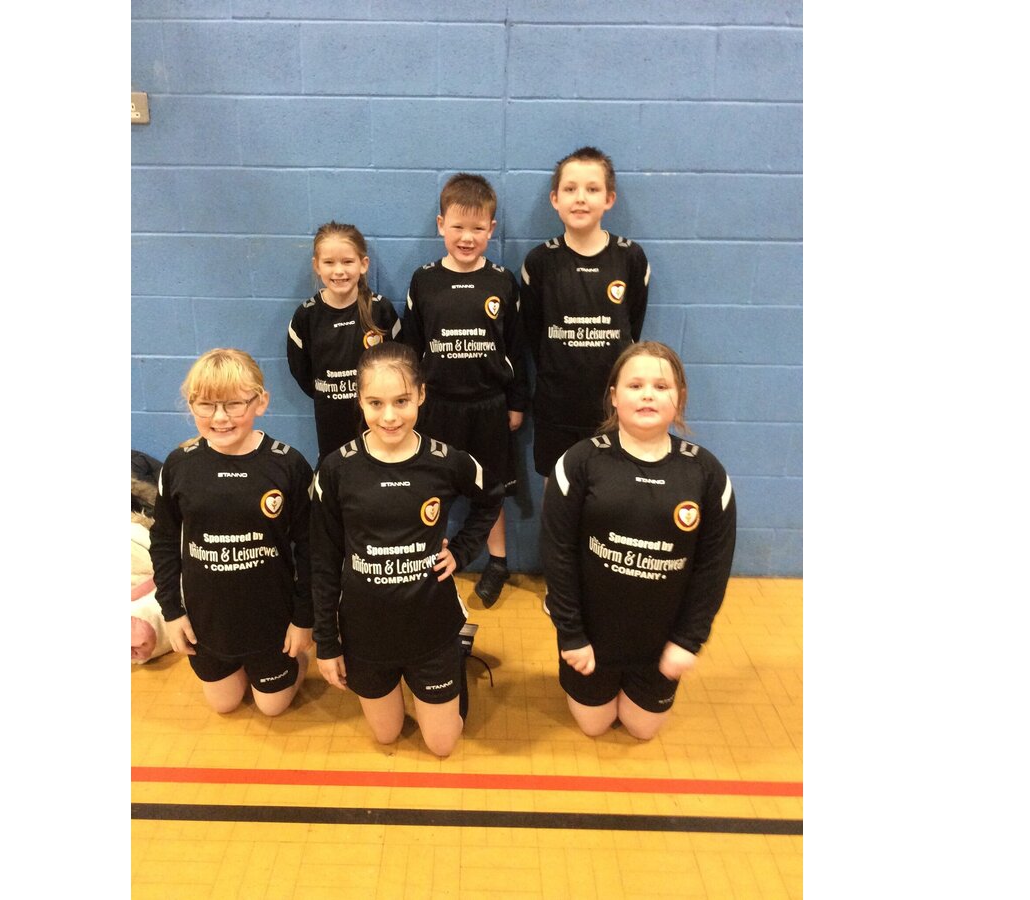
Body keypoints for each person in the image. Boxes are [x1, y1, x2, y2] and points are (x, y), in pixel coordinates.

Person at [312, 342, 503, 757]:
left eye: (401, 401)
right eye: (375, 403)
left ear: (421, 394)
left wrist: (463, 551)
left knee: (442, 745)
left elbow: (491, 497)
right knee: (386, 735)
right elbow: (323, 560)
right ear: (359, 400)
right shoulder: (337, 468)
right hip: (365, 632)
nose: (389, 416)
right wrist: (327, 642)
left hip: (430, 627)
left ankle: (455, 653)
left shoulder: (446, 461)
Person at [540, 341, 736, 740]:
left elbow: (713, 567)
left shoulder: (706, 473)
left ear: (680, 398)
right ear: (614, 397)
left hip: (660, 643)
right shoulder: (580, 462)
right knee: (594, 726)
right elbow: (558, 555)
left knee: (641, 728)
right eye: (635, 385)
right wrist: (571, 635)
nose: (648, 394)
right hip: (592, 638)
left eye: (661, 387)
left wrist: (688, 641)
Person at [148, 348, 315, 717]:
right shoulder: (179, 466)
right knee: (224, 705)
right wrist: (172, 613)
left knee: (271, 707)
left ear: (261, 402)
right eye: (206, 405)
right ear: (191, 406)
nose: (220, 418)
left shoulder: (287, 464)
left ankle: (295, 664)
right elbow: (163, 543)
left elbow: (309, 548)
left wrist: (304, 620)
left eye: (234, 404)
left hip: (270, 620)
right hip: (208, 622)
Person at [400, 172, 527, 607]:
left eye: (477, 228)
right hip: (437, 406)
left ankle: (498, 563)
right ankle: (427, 559)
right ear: (441, 225)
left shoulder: (503, 281)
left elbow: (517, 348)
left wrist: (516, 402)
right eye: (457, 226)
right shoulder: (424, 280)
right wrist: (413, 400)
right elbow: (411, 347)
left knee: (492, 490)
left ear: (492, 229)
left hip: (489, 406)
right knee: (431, 487)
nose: (467, 237)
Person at [520, 146, 651, 481]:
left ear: (609, 199)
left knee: (609, 489)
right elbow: (534, 334)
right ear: (555, 199)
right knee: (557, 488)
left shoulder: (630, 258)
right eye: (570, 189)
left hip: (610, 406)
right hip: (556, 406)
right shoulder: (540, 262)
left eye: (592, 189)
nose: (580, 198)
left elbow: (631, 328)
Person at [287, 221, 402, 461]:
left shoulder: (380, 310)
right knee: (337, 470)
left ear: (363, 264)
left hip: (379, 417)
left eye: (348, 262)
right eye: (329, 262)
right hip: (331, 419)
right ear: (317, 266)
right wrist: (329, 392)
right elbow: (301, 370)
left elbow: (402, 363)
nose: (339, 271)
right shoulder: (306, 316)